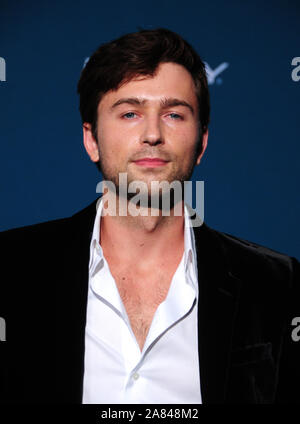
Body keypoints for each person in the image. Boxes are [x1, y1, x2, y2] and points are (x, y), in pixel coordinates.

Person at [0, 28, 299, 404]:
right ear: (91, 139)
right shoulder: (8, 269)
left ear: (202, 142)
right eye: (129, 113)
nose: (152, 134)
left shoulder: (278, 285)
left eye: (174, 114)